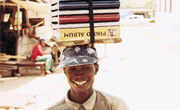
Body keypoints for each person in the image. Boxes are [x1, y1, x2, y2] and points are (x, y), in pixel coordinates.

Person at [48, 45, 128, 110]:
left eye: (86, 68)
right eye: (72, 69)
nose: (79, 74)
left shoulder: (115, 106)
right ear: (65, 71)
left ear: (96, 69)